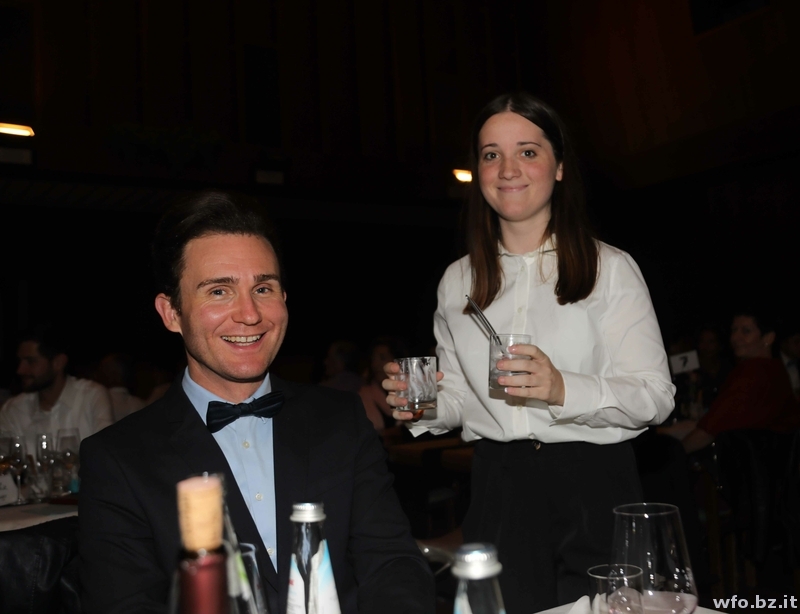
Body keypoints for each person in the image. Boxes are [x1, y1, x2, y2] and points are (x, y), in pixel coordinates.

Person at [383, 93, 675, 613]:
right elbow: (459, 398)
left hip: (594, 481)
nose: (508, 169)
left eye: (528, 152)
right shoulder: (457, 281)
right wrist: (418, 405)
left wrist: (563, 387)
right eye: (491, 154)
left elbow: (655, 397)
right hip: (498, 486)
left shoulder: (610, 268)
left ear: (559, 167)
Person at [78, 190, 434, 614]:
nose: (249, 314)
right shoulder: (117, 459)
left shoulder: (340, 418)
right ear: (171, 313)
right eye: (219, 291)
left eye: (263, 288)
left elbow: (392, 564)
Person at [682, 310, 800, 454]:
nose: (735, 338)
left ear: (768, 338)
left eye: (746, 331)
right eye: (734, 330)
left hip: (759, 464)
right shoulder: (774, 368)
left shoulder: (755, 371)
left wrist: (673, 456)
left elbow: (710, 429)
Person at [0, 327, 113, 453]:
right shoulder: (13, 409)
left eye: (30, 362)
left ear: (58, 362)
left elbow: (107, 454)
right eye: (20, 361)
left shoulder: (91, 396)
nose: (20, 370)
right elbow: (5, 460)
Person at [95, 353, 146, 421]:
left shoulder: (98, 400)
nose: (99, 374)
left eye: (104, 369)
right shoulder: (140, 404)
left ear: (115, 373)